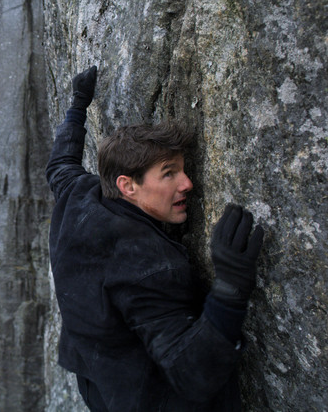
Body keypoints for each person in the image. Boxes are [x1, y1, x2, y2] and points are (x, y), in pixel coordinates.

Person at [47, 66, 264, 411]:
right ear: (127, 185)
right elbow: (192, 372)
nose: (187, 184)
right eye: (169, 174)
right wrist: (231, 287)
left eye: (183, 169)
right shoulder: (147, 265)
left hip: (96, 382)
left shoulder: (80, 195)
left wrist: (78, 104)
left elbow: (60, 165)